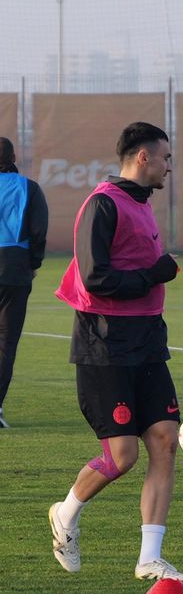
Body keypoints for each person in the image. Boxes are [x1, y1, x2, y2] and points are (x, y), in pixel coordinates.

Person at [48, 121, 183, 581]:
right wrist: (155, 274)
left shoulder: (142, 206)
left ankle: (150, 558)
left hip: (148, 344)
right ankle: (66, 513)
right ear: (143, 157)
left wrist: (155, 273)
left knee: (167, 442)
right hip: (105, 347)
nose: (171, 166)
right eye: (166, 158)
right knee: (123, 457)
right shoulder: (103, 204)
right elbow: (96, 279)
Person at [0, 137, 48, 429]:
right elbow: (39, 230)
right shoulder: (29, 188)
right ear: (14, 156)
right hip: (14, 269)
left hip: (15, 267)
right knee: (5, 343)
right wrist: (33, 264)